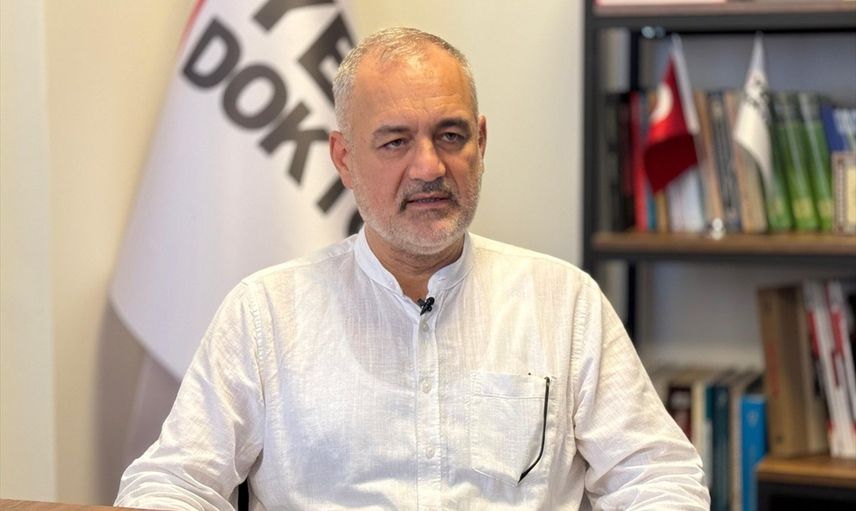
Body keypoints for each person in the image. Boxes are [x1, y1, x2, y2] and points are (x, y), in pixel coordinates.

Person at [116, 27, 709, 510]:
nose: (429, 167)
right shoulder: (266, 312)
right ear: (344, 158)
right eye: (395, 142)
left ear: (480, 142)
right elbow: (173, 482)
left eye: (450, 135)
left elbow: (657, 477)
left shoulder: (564, 303)